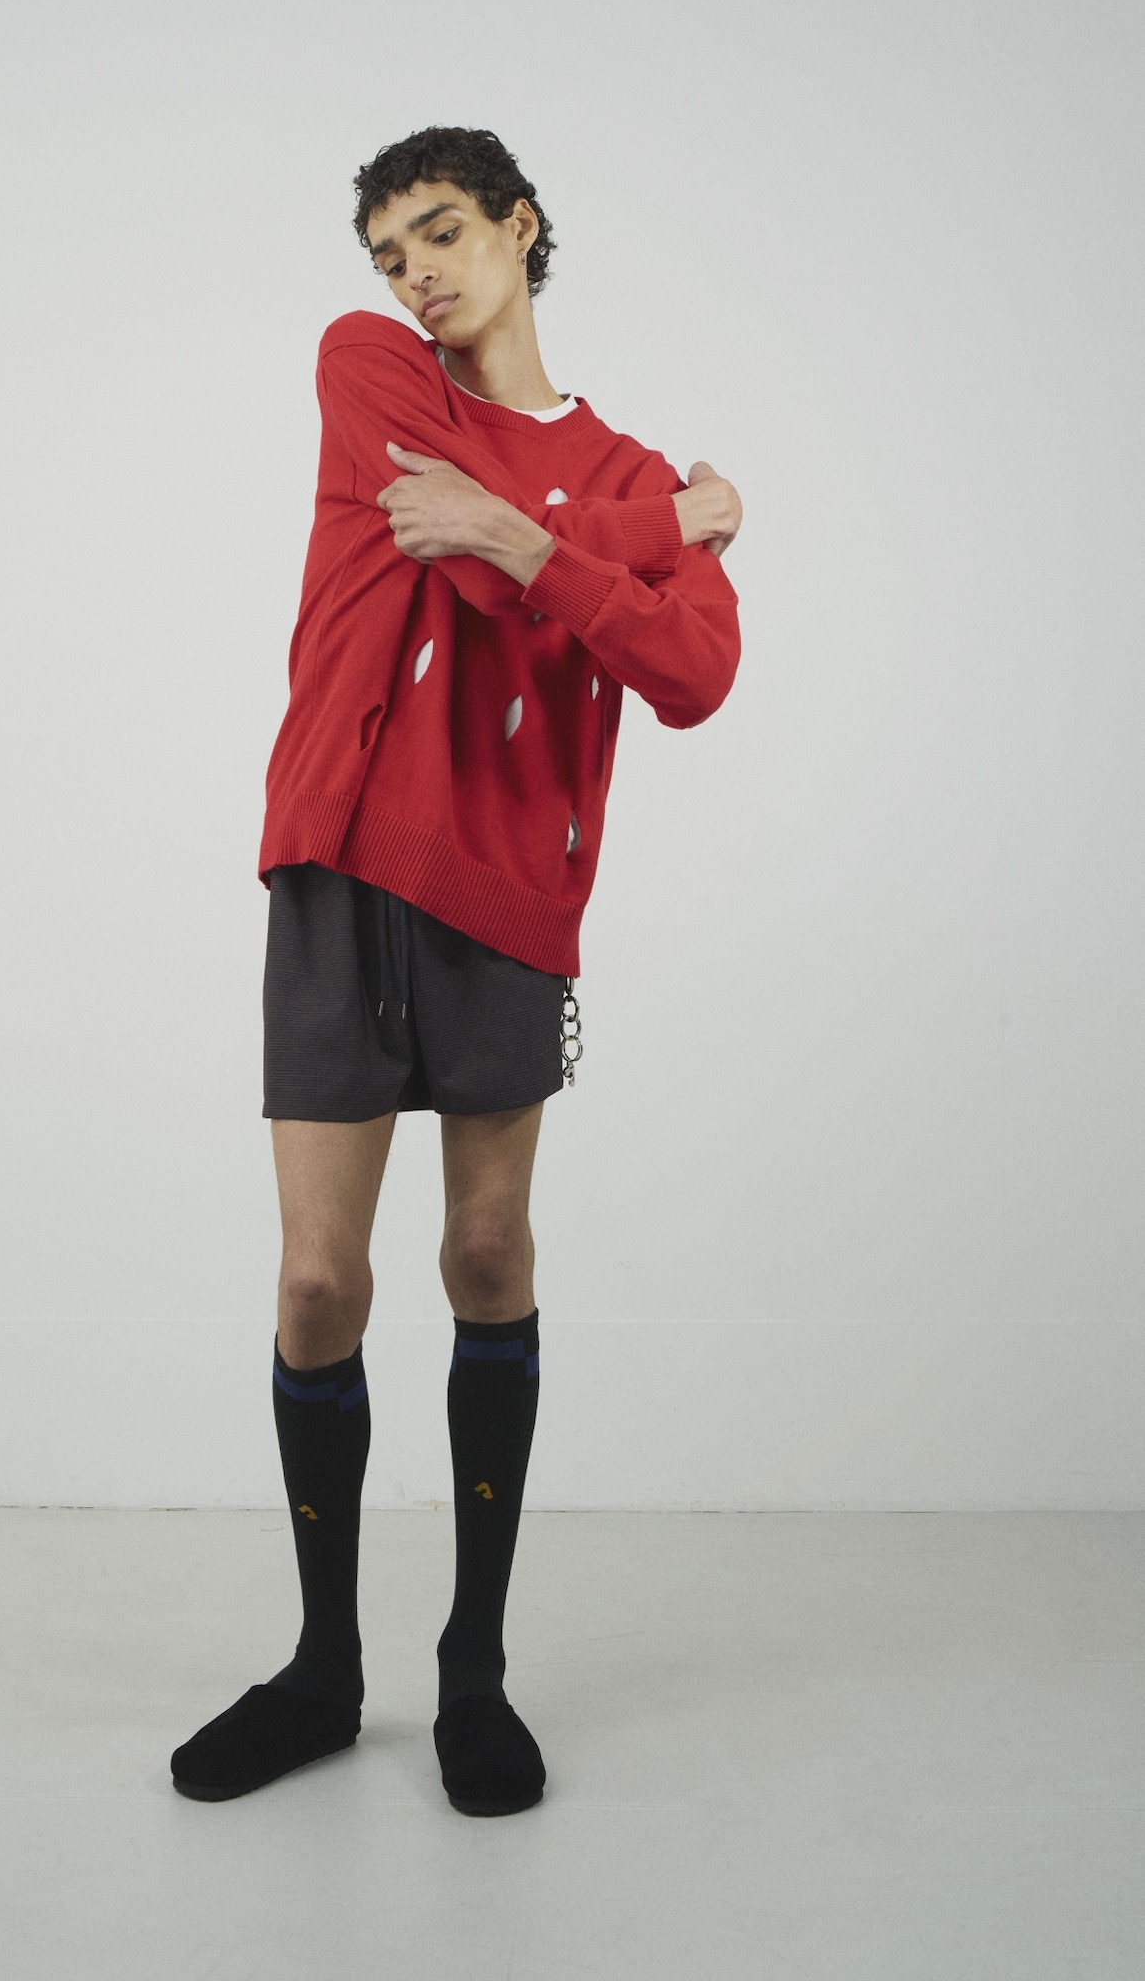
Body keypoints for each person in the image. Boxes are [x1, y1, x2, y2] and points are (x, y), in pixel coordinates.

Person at [170, 125, 742, 1817]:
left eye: (438, 233)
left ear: (520, 222)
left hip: (508, 883)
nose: (413, 273)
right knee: (316, 1287)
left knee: (488, 1253)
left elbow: (695, 673)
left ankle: (472, 1669)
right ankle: (322, 1668)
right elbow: (478, 545)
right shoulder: (373, 370)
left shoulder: (621, 461)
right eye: (390, 250)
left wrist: (534, 539)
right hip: (341, 856)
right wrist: (660, 529)